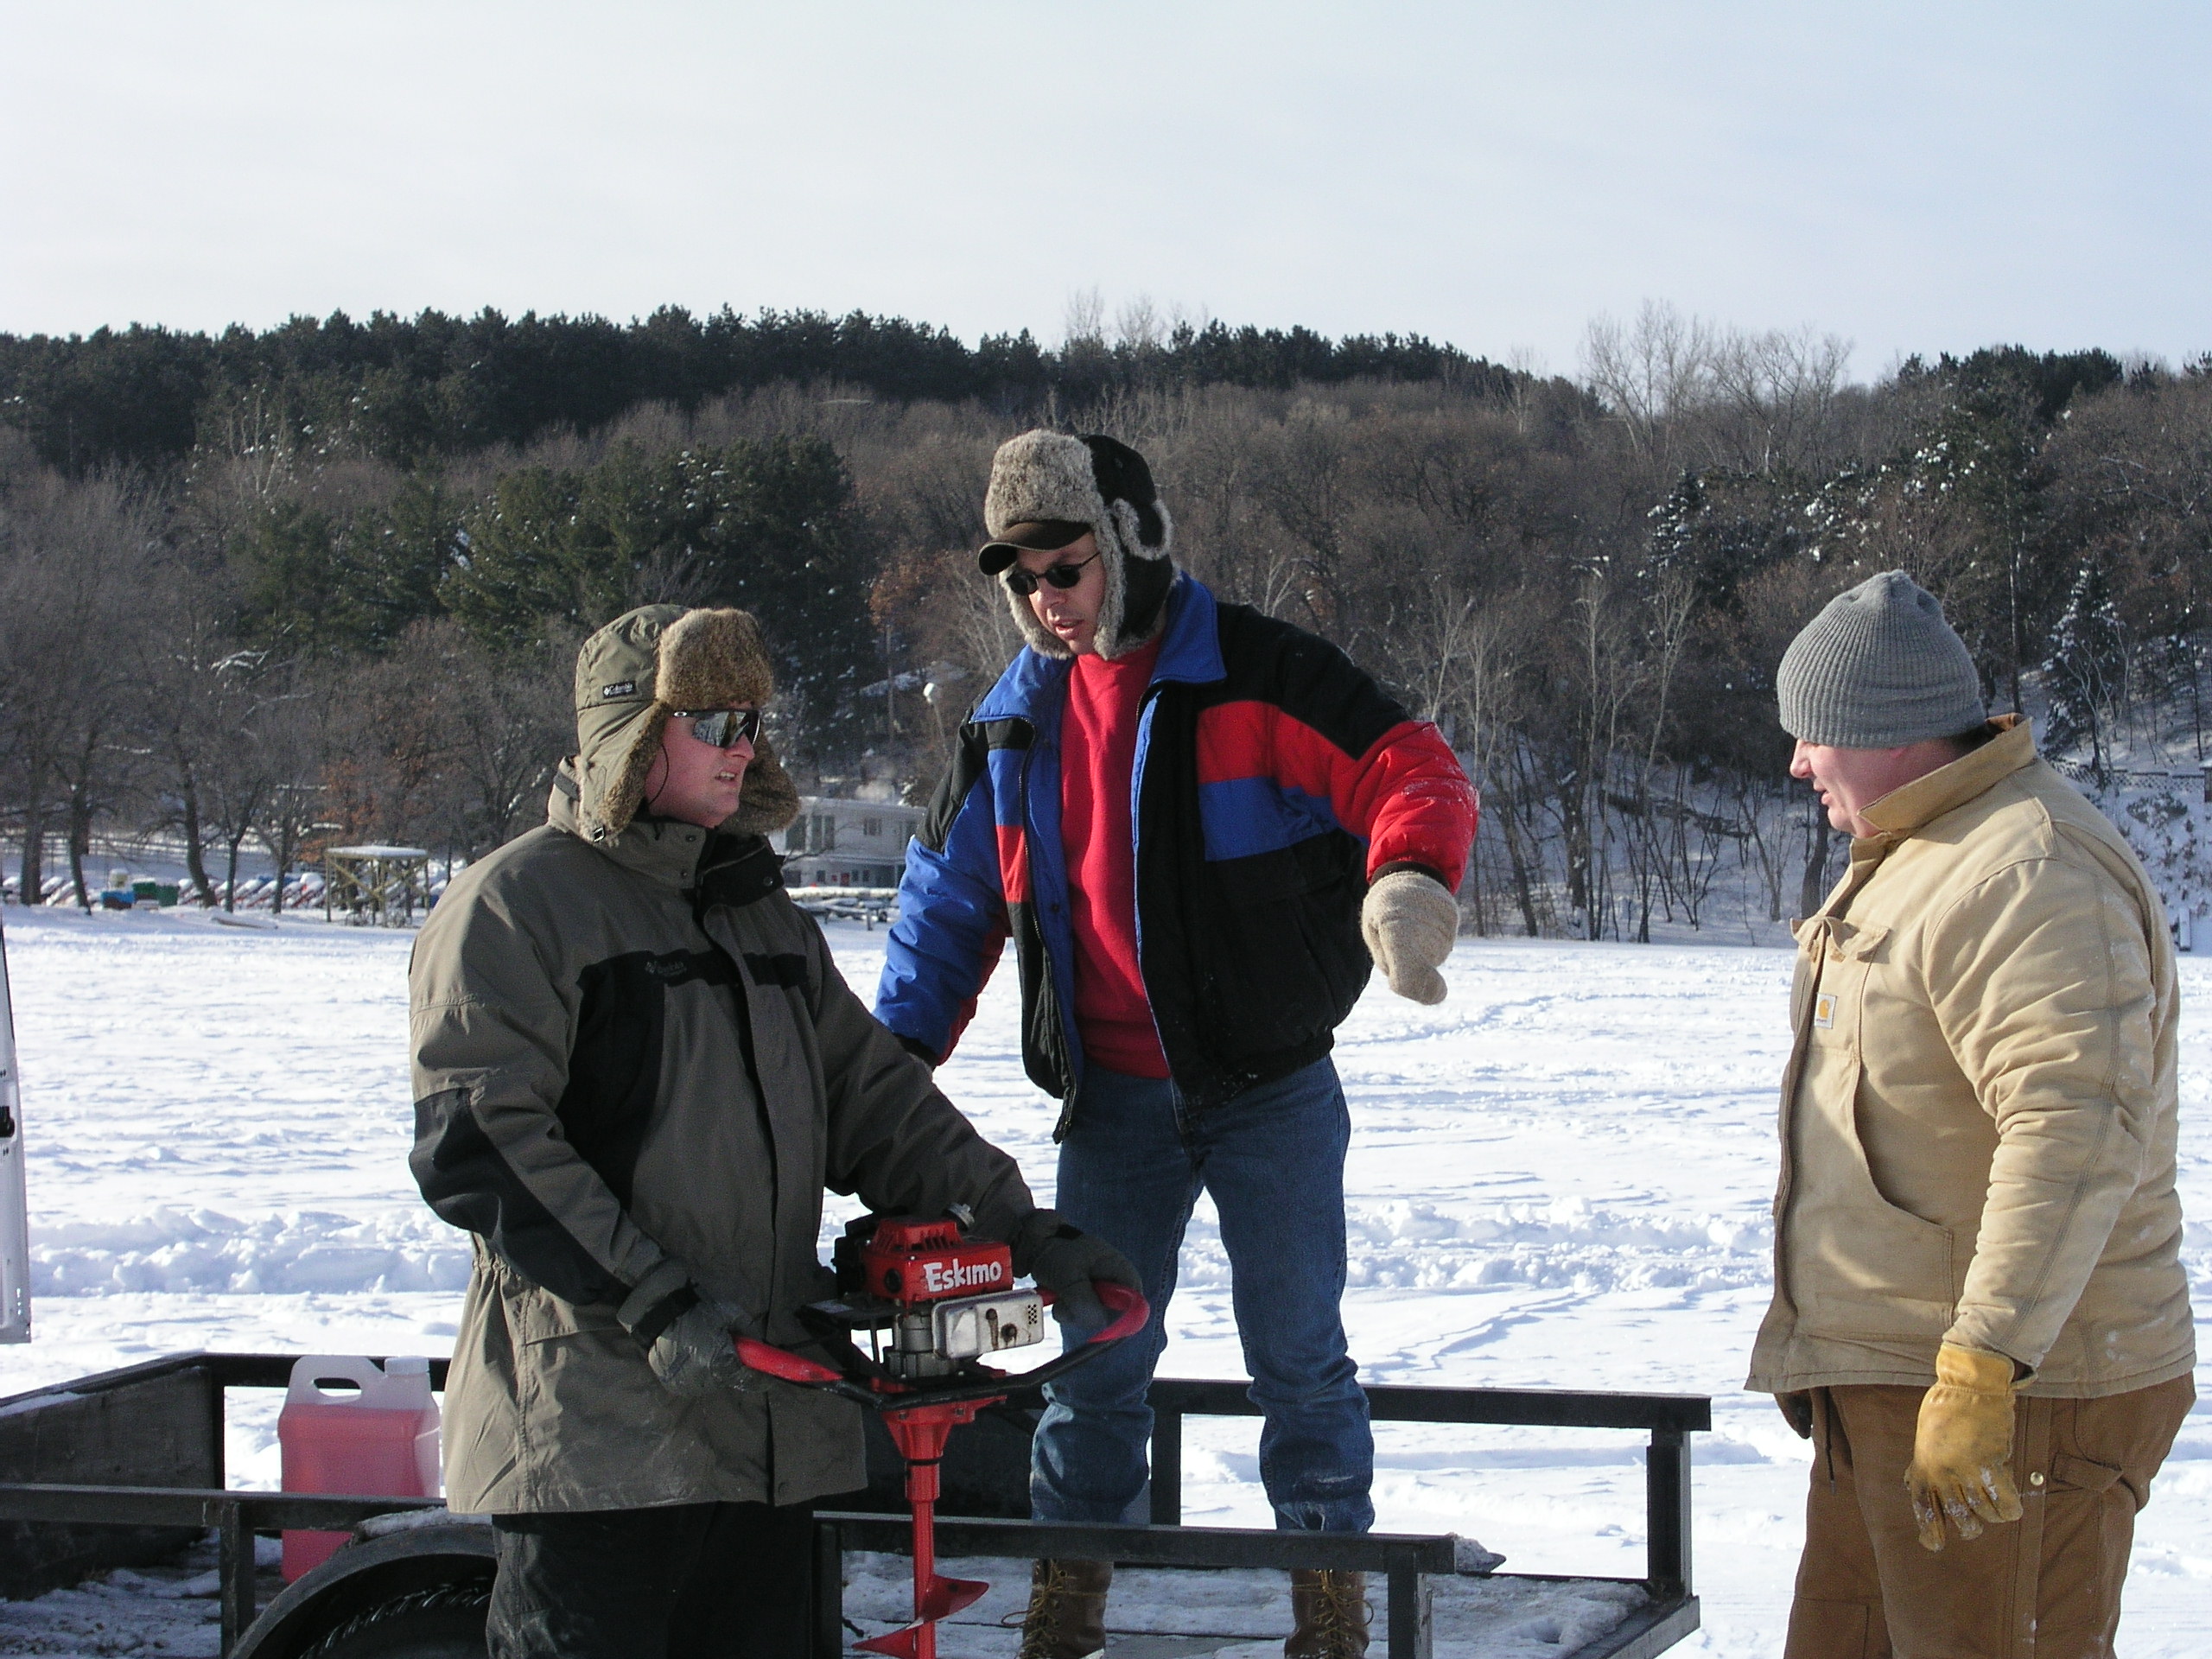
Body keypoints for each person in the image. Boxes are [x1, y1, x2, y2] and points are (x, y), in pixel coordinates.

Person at [408, 603, 1136, 1659]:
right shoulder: (518, 907)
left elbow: (876, 1103)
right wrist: (656, 1303)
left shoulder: (763, 919)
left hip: (770, 1427)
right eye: (712, 723)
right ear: (629, 735)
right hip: (598, 1435)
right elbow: (481, 1143)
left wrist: (1026, 1232)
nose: (742, 747)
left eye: (751, 722)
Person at [875, 431, 1478, 1659]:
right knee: (1094, 1360)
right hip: (1112, 1107)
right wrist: (883, 1070)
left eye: (1066, 567)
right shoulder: (1010, 727)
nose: (1046, 599)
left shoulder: (1255, 673)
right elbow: (943, 907)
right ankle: (1070, 1595)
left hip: (1269, 1090)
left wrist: (1410, 878)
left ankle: (1328, 1592)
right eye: (1024, 580)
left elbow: (1406, 766)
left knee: (1298, 1356)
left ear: (1130, 544)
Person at [1751, 570, 2195, 1659]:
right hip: (1897, 1385)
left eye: (1814, 734)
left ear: (1888, 730)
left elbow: (2071, 1129)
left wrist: (1984, 1362)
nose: (1798, 762)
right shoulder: (1926, 853)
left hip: (2014, 1397)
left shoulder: (2026, 869)